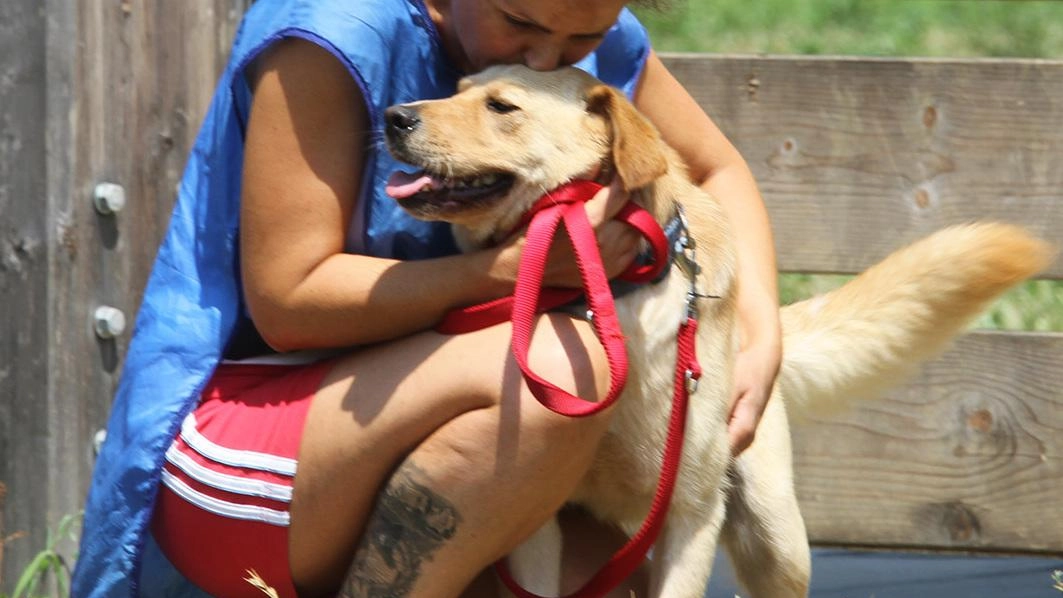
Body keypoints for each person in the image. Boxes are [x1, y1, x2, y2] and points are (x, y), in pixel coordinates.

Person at [72, 0, 781, 596]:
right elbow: (289, 305)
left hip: (406, 415)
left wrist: (761, 339)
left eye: (582, 41)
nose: (545, 60)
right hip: (244, 432)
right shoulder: (338, 32)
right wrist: (522, 267)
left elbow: (715, 169)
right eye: (518, 23)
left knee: (603, 575)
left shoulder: (581, 23)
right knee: (562, 375)